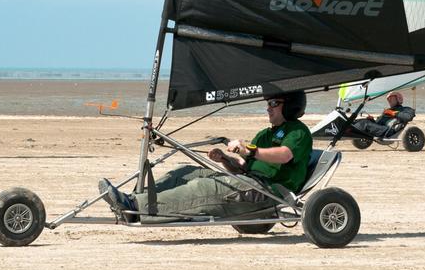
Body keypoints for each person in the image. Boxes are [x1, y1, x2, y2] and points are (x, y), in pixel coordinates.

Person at [99, 91, 313, 220]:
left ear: (291, 106)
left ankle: (135, 208)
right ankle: (135, 199)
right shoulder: (265, 134)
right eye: (268, 103)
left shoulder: (298, 132)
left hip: (269, 192)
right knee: (184, 173)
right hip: (249, 183)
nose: (268, 108)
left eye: (274, 103)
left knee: (203, 188)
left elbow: (284, 155)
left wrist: (250, 150)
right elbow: (243, 166)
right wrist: (225, 160)